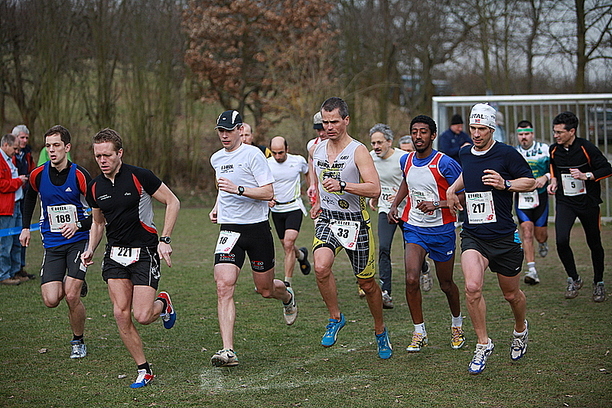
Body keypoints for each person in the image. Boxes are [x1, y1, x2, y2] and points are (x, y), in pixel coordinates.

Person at [81, 128, 179, 388]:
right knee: (120, 314)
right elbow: (98, 223)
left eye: (107, 155)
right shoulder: (94, 187)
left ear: (120, 153)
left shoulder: (140, 176)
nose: (102, 160)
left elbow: (172, 202)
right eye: (98, 156)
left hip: (145, 252)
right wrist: (91, 248)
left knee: (143, 315)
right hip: (115, 255)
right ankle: (143, 369)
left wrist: (165, 239)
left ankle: (163, 304)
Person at [446, 103, 535, 375]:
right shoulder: (465, 152)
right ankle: (483, 343)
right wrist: (451, 189)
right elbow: (467, 173)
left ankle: (520, 329)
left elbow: (529, 182)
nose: (476, 133)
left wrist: (505, 184)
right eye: (473, 128)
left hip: (504, 237)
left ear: (492, 129)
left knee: (511, 295)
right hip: (474, 235)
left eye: (481, 129)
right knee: (472, 287)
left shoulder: (507, 154)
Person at [209, 110, 297, 368]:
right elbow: (222, 188)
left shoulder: (253, 155)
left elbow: (268, 192)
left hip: (257, 230)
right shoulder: (216, 158)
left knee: (265, 289)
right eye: (220, 131)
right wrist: (217, 206)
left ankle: (287, 296)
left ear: (240, 130)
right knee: (223, 286)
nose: (224, 135)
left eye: (229, 130)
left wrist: (239, 190)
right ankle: (228, 350)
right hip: (229, 230)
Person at [310, 97, 392, 359]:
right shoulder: (317, 149)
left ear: (346, 120)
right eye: (325, 122)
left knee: (367, 284)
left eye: (334, 121)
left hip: (355, 221)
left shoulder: (358, 151)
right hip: (328, 218)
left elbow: (374, 188)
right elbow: (315, 174)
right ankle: (336, 318)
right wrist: (316, 198)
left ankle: (380, 330)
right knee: (320, 267)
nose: (329, 127)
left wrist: (344, 186)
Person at [388, 115, 465, 353]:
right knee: (411, 279)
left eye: (423, 132)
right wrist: (395, 204)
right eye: (414, 132)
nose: (418, 136)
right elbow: (406, 182)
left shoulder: (445, 163)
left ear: (433, 135)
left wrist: (438, 204)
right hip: (414, 227)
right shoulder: (406, 160)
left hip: (442, 230)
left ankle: (457, 325)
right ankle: (419, 332)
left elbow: (464, 194)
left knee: (446, 284)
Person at [19, 125, 92, 358]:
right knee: (51, 300)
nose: (51, 150)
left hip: (78, 241)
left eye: (56, 145)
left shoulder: (80, 175)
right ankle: (74, 280)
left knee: (71, 296)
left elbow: (99, 213)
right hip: (52, 244)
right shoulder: (38, 175)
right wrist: (25, 228)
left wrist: (78, 224)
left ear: (67, 147)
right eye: (48, 146)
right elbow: (29, 198)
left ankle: (78, 340)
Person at [547, 111, 612, 302]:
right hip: (565, 202)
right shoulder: (554, 149)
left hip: (588, 202)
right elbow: (553, 167)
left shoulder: (586, 147)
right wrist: (554, 181)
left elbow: (607, 169)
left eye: (560, 132)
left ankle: (599, 282)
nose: (556, 135)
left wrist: (587, 176)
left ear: (572, 131)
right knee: (561, 240)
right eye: (554, 132)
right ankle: (574, 278)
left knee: (594, 242)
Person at [369, 124, 432, 309]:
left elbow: (416, 182)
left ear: (389, 142)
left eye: (380, 142)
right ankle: (385, 292)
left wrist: (399, 196)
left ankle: (424, 267)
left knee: (411, 249)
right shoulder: (370, 158)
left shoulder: (403, 158)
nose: (376, 146)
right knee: (384, 247)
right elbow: (372, 180)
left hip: (408, 210)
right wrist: (374, 196)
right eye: (373, 143)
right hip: (386, 209)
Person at [267, 136, 311, 285]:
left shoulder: (298, 161)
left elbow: (308, 172)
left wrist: (311, 189)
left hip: (294, 207)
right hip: (276, 210)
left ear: (287, 149)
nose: (278, 156)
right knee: (287, 246)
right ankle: (301, 255)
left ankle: (287, 283)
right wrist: (267, 199)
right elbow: (261, 184)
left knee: (288, 243)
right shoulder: (266, 164)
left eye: (281, 152)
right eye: (274, 153)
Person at [514, 120, 550, 285]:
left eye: (527, 134)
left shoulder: (544, 149)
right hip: (522, 198)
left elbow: (554, 169)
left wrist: (546, 177)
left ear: (532, 134)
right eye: (521, 134)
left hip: (540, 197)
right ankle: (532, 270)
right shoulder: (514, 153)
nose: (524, 137)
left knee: (540, 235)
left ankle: (543, 243)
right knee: (526, 232)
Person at [0, 134, 28, 285]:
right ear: (6, 145)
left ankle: (14, 271)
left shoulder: (9, 159)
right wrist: (18, 181)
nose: (16, 152)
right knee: (5, 243)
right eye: (14, 148)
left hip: (16, 205)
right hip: (6, 208)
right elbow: (2, 185)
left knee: (17, 241)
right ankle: (3, 275)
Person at [12, 125, 36, 280]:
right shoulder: (9, 155)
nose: (25, 140)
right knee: (11, 236)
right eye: (22, 137)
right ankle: (11, 270)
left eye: (27, 137)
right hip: (12, 197)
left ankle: (20, 267)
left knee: (24, 231)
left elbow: (32, 170)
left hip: (25, 195)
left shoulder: (27, 154)